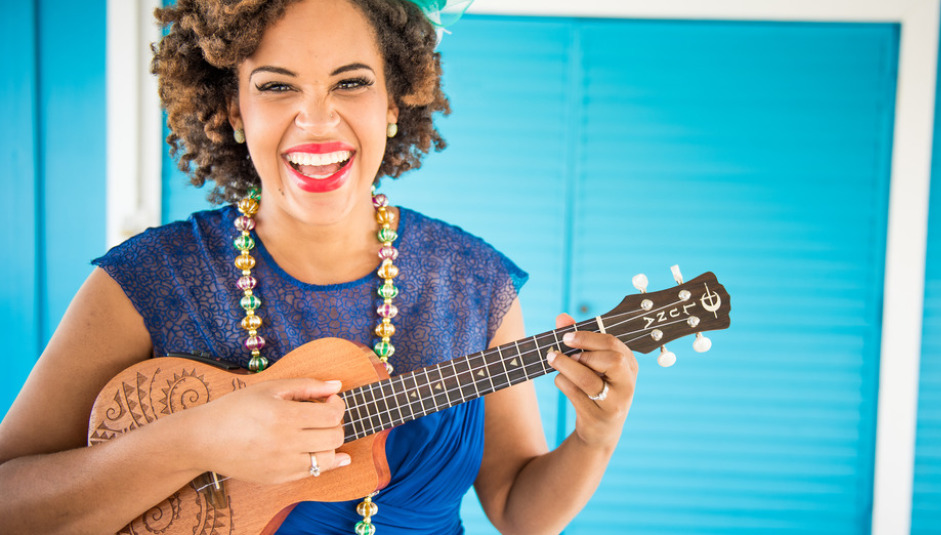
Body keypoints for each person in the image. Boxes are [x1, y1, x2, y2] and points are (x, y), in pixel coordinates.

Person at [0, 0, 638, 533]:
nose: (317, 119)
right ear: (231, 108)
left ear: (394, 101)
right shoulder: (146, 282)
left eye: (352, 82)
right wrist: (198, 438)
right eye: (277, 86)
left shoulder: (473, 284)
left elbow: (519, 511)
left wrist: (595, 438)